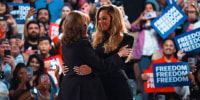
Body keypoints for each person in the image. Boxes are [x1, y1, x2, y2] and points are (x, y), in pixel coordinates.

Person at [58, 11, 107, 100]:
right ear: (81, 26)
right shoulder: (83, 44)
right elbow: (99, 64)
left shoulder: (64, 43)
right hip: (82, 88)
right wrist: (92, 70)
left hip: (68, 87)